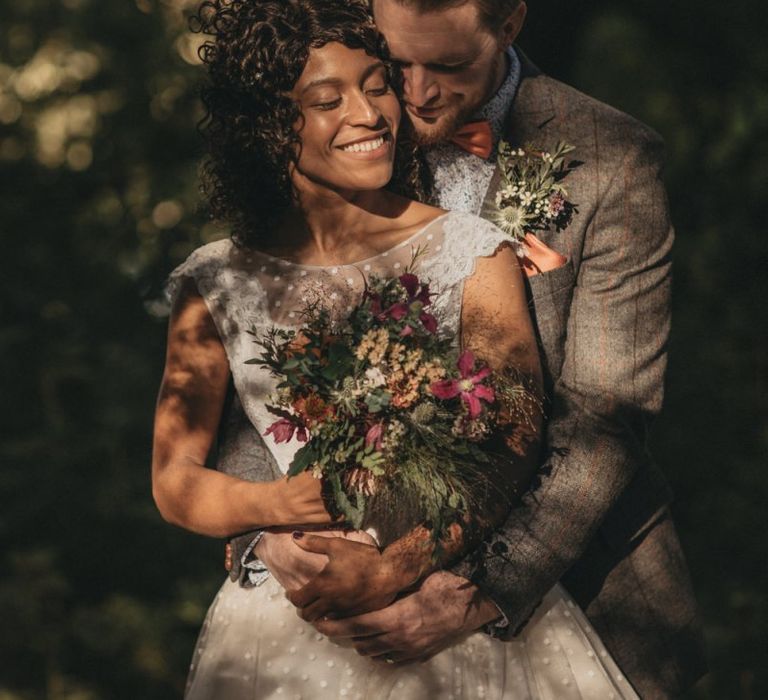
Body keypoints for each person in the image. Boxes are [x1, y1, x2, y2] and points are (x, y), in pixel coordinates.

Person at [153, 0, 645, 697]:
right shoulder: (215, 281)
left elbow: (510, 435)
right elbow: (176, 480)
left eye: (375, 84)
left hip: (456, 607)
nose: (371, 112)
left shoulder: (472, 251)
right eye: (328, 100)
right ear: (270, 126)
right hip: (286, 619)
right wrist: (277, 510)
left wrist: (399, 566)